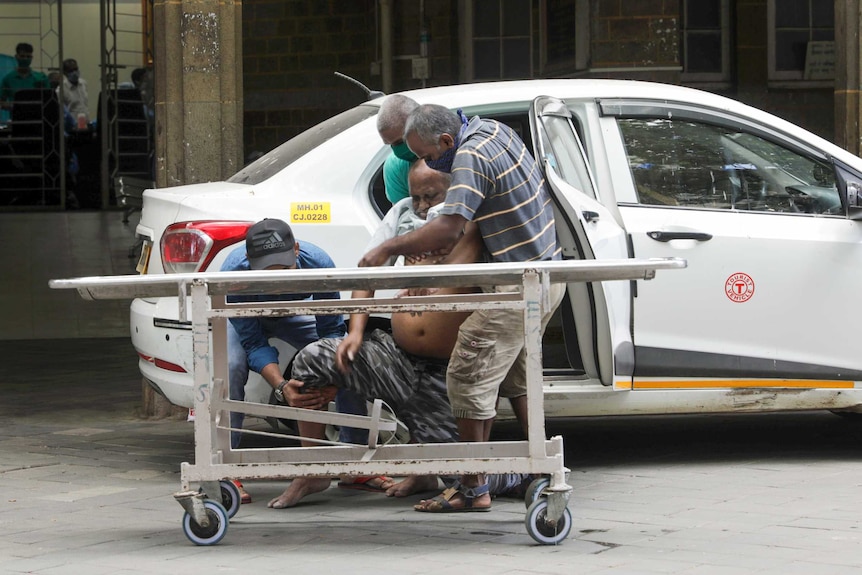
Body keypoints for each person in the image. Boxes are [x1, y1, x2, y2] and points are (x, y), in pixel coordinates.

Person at [266, 161, 529, 509]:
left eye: (430, 196)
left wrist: (431, 277)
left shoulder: (473, 221)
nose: (421, 205)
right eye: (415, 196)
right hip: (397, 357)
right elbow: (367, 270)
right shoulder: (403, 216)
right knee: (314, 358)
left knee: (464, 478)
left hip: (448, 373)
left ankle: (519, 476)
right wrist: (356, 331)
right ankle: (313, 471)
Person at [360, 104, 566, 513]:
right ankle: (540, 469)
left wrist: (389, 249)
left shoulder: (470, 156)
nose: (431, 164)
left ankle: (472, 488)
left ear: (447, 142)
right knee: (518, 379)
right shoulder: (492, 129)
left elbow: (450, 227)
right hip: (541, 277)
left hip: (515, 288)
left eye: (431, 156)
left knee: (467, 376)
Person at [221, 219, 384, 501]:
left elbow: (330, 330)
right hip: (247, 321)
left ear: (296, 250)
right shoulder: (233, 273)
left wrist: (332, 376)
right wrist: (282, 387)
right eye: (265, 273)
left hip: (294, 315)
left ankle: (355, 464)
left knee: (343, 355)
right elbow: (253, 342)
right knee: (231, 367)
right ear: (248, 260)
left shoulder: (318, 262)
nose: (276, 281)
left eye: (284, 270)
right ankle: (225, 468)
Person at [377, 94, 419, 204]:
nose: (398, 150)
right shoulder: (395, 166)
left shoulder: (454, 150)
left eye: (401, 142)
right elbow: (403, 215)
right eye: (391, 145)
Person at [0, 43, 49, 107]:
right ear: (16, 57)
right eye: (22, 56)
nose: (25, 59)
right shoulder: (8, 79)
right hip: (17, 115)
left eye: (28, 56)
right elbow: (1, 101)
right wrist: (15, 106)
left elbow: (49, 100)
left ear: (32, 58)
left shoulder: (41, 78)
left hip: (37, 115)